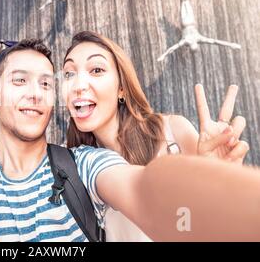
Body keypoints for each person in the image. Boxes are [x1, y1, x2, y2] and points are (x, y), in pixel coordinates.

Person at [0, 39, 260, 242]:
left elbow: (146, 188)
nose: (35, 94)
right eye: (19, 81)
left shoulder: (83, 165)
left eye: (46, 83)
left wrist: (213, 190)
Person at [62, 31, 249, 241]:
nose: (78, 85)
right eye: (69, 74)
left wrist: (221, 186)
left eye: (96, 70)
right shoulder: (73, 170)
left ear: (121, 88)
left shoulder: (173, 132)